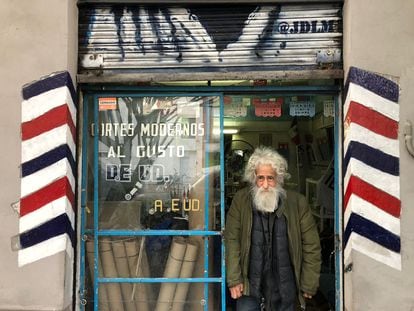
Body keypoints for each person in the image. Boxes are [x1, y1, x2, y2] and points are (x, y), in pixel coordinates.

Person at [225, 146, 321, 311]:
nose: (265, 184)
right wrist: (234, 279)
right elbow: (231, 241)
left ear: (279, 178)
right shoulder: (240, 201)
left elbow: (311, 245)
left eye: (270, 178)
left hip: (285, 288)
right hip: (249, 287)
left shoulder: (298, 203)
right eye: (260, 178)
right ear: (253, 178)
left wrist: (309, 282)